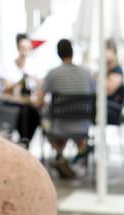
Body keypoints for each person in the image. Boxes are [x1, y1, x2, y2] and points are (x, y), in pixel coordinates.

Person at [35, 38, 93, 179]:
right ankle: (76, 151)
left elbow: (38, 102)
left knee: (47, 123)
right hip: (83, 126)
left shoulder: (53, 74)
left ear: (58, 54)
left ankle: (60, 156)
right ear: (72, 52)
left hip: (60, 127)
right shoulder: (86, 74)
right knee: (65, 122)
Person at [1, 33, 42, 144]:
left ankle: (24, 143)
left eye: (27, 49)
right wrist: (20, 82)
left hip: (29, 106)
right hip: (13, 106)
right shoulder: (10, 66)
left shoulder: (34, 66)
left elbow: (40, 87)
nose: (24, 52)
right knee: (23, 115)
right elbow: (5, 89)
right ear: (18, 49)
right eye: (22, 48)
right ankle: (23, 143)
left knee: (33, 116)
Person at [104, 38, 124, 124]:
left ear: (113, 52)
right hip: (105, 106)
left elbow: (109, 90)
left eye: (107, 50)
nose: (104, 54)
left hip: (111, 109)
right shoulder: (106, 69)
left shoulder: (117, 70)